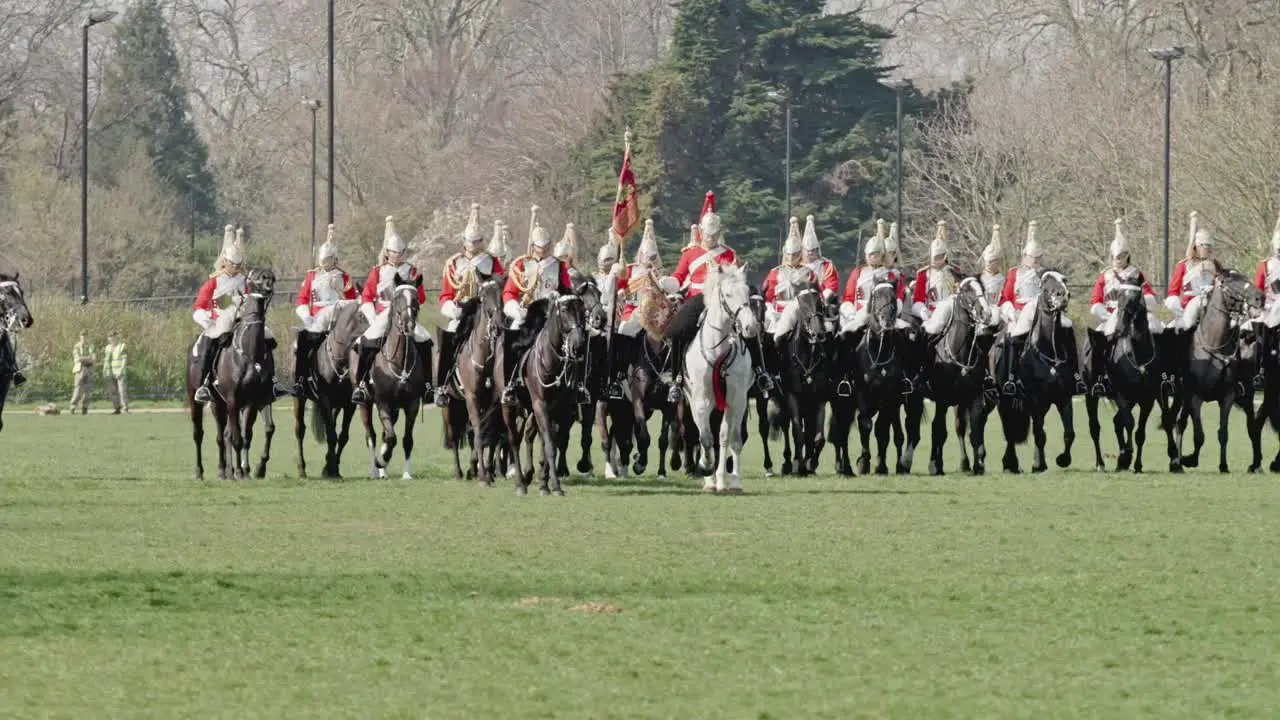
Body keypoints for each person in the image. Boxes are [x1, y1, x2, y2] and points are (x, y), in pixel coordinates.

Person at [667, 192, 770, 400]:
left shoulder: (729, 253)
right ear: (701, 232)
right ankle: (676, 380)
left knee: (750, 329)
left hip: (725, 301)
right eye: (708, 234)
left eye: (715, 235)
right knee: (676, 331)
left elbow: (737, 278)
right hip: (699, 298)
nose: (711, 238)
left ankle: (760, 372)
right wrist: (666, 283)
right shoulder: (690, 253)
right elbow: (678, 277)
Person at [191, 226, 287, 404]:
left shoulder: (245, 280)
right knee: (208, 341)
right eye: (233, 264)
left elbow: (251, 299)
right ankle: (205, 383)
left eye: (238, 264)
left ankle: (273, 382)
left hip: (243, 317)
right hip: (219, 319)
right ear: (225, 262)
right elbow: (199, 306)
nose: (236, 267)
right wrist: (206, 321)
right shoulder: (213, 282)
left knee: (267, 338)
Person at [994, 220, 1086, 396]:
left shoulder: (1049, 273)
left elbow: (1060, 291)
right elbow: (1006, 298)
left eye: (1038, 258)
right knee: (1012, 337)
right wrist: (1011, 312)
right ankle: (1012, 378)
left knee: (1068, 330)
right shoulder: (1014, 273)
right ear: (1025, 256)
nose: (1035, 261)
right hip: (1021, 313)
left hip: (1046, 313)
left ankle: (1076, 376)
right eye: (1032, 258)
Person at [350, 216, 433, 405]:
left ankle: (428, 385)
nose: (397, 255)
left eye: (400, 252)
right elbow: (367, 297)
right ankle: (361, 385)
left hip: (406, 313)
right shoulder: (377, 271)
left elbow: (421, 297)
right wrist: (372, 317)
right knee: (367, 340)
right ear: (387, 253)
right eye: (394, 252)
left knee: (425, 340)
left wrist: (411, 303)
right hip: (383, 313)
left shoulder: (412, 271)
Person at [500, 205, 576, 405]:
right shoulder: (520, 265)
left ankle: (577, 384)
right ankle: (511, 383)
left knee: (576, 338)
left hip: (551, 314)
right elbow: (509, 292)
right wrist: (516, 309)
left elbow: (567, 291)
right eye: (540, 247)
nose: (544, 250)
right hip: (527, 314)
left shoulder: (558, 265)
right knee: (512, 336)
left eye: (546, 246)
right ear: (533, 246)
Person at [435, 204, 505, 406]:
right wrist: (452, 309)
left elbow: (499, 285)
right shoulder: (453, 263)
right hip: (462, 311)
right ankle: (442, 385)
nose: (474, 244)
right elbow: (445, 295)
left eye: (477, 241)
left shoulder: (491, 262)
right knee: (447, 339)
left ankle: (510, 382)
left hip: (486, 310)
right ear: (464, 241)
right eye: (470, 241)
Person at [1085, 218, 1160, 396]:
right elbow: (1095, 301)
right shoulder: (1105, 276)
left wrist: (1144, 304)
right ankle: (1099, 379)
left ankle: (1163, 375)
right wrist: (1105, 315)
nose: (1116, 260)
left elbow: (1149, 294)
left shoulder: (1136, 273)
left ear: (1126, 256)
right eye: (1113, 257)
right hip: (1111, 315)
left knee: (1158, 330)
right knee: (1096, 342)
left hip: (1135, 314)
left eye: (1119, 257)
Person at [292, 224, 358, 396]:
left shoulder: (344, 276)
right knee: (302, 343)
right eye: (322, 259)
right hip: (317, 319)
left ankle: (362, 381)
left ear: (334, 259)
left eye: (327, 259)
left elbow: (352, 300)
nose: (323, 263)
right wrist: (306, 316)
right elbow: (302, 299)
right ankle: (301, 380)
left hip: (340, 317)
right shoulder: (312, 275)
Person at [839, 219, 907, 334]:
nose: (872, 257)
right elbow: (848, 297)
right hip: (859, 313)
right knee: (847, 333)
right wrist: (851, 314)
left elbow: (898, 297)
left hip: (884, 313)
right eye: (870, 255)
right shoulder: (858, 272)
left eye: (876, 255)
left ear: (881, 255)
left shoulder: (890, 274)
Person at [762, 216, 817, 339]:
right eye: (789, 254)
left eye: (795, 254)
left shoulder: (809, 272)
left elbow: (815, 295)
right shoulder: (775, 272)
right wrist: (770, 309)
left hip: (801, 311)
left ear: (799, 254)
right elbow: (768, 297)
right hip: (779, 312)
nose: (792, 257)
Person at [1164, 211, 1219, 332]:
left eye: (1210, 246)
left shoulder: (1214, 266)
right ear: (1197, 246)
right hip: (1186, 305)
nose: (1208, 249)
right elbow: (1173, 291)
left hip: (1211, 304)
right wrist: (1173, 305)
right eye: (1205, 246)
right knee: (1162, 317)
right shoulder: (1183, 265)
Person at [912, 220, 963, 331]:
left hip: (953, 311)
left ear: (945, 256)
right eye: (935, 256)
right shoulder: (923, 273)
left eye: (939, 256)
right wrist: (923, 311)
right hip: (932, 312)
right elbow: (918, 299)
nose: (936, 259)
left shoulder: (955, 271)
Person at [801, 215, 839, 308]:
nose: (810, 253)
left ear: (817, 250)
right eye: (808, 250)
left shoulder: (826, 266)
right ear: (803, 250)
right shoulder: (798, 266)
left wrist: (821, 300)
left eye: (813, 250)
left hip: (821, 303)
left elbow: (831, 285)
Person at [979, 224, 1005, 322]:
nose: (989, 264)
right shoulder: (979, 278)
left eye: (992, 261)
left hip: (999, 309)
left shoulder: (1002, 278)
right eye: (987, 261)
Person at [102, 330, 129, 414]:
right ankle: (117, 408)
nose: (110, 339)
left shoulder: (122, 346)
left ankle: (125, 408)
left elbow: (124, 359)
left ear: (116, 337)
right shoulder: (107, 347)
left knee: (122, 391)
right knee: (113, 392)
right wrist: (105, 371)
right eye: (109, 337)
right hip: (110, 372)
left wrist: (121, 370)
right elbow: (106, 361)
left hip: (120, 372)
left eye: (112, 337)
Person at [69, 331, 95, 415]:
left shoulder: (91, 346)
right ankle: (72, 407)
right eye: (82, 336)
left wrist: (87, 358)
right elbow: (78, 358)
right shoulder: (76, 346)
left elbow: (94, 358)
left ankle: (85, 408)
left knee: (88, 391)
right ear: (80, 337)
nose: (84, 337)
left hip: (89, 369)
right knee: (78, 391)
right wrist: (88, 357)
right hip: (80, 369)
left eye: (85, 336)